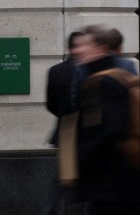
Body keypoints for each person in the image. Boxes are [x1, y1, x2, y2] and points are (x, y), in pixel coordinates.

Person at [73, 25, 140, 214]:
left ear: (100, 49)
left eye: (85, 45)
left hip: (112, 184)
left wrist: (84, 152)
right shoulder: (115, 75)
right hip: (117, 182)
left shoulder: (104, 82)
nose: (78, 50)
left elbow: (113, 129)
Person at [44, 32, 84, 215]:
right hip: (86, 132)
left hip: (65, 130)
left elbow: (50, 104)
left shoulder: (56, 70)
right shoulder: (88, 70)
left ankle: (52, 211)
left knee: (62, 178)